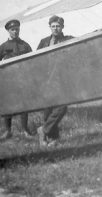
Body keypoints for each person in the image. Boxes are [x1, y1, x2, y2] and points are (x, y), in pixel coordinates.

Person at [36, 15, 74, 147]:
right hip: (48, 81)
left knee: (61, 108)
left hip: (63, 81)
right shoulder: (44, 42)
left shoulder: (69, 40)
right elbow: (37, 60)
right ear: (50, 27)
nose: (56, 28)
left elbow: (83, 41)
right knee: (48, 111)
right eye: (53, 26)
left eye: (58, 26)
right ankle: (52, 139)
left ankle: (44, 130)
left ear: (62, 27)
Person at [0, 19, 34, 140]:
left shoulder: (25, 45)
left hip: (22, 79)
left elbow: (32, 61)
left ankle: (25, 130)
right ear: (8, 31)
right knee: (8, 105)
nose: (15, 31)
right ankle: (7, 131)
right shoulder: (3, 46)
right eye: (12, 30)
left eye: (17, 29)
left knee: (24, 104)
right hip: (8, 80)